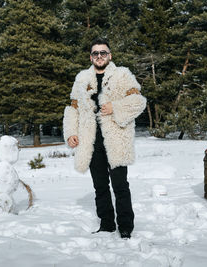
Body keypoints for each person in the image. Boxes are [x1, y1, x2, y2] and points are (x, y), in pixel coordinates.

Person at [63, 39, 146, 239]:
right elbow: (73, 108)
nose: (99, 56)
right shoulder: (82, 78)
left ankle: (125, 226)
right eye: (95, 54)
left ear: (110, 55)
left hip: (116, 139)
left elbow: (138, 101)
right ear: (90, 57)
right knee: (100, 185)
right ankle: (107, 223)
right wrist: (71, 133)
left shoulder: (123, 75)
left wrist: (115, 108)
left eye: (103, 53)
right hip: (90, 141)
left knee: (120, 185)